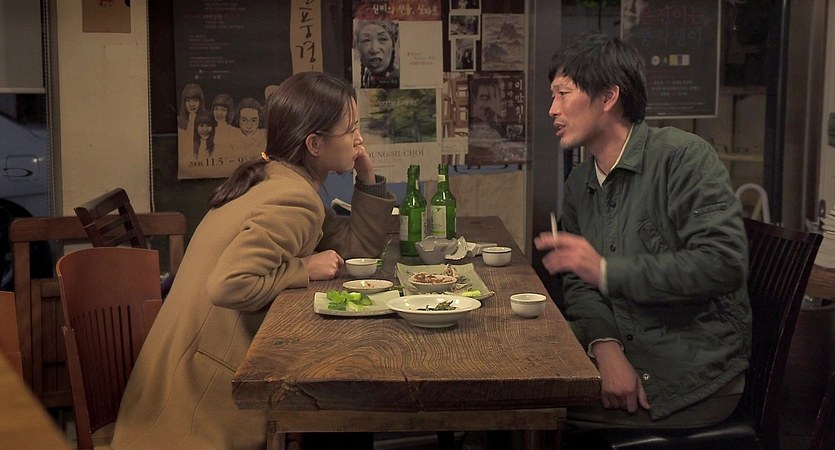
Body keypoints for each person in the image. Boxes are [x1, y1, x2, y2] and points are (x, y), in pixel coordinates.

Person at [111, 71, 397, 449]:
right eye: (351, 129)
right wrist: (302, 268)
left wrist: (367, 176)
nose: (359, 139)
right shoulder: (292, 199)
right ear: (314, 143)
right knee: (341, 402)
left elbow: (353, 249)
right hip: (196, 406)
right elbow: (229, 285)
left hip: (166, 385)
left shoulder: (274, 177)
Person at [534, 33, 751, 431]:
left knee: (520, 405)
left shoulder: (682, 157)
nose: (553, 109)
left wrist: (606, 272)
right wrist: (606, 348)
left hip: (691, 375)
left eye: (563, 94)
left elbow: (723, 263)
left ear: (608, 97)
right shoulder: (580, 182)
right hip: (623, 354)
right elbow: (579, 285)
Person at [355, 19, 399, 88]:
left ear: (393, 44)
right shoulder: (367, 75)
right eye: (366, 40)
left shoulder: (399, 79)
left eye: (383, 39)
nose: (374, 49)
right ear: (358, 46)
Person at [229, 97, 267, 162]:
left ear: (259, 119)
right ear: (238, 119)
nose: (249, 126)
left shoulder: (266, 136)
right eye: (244, 120)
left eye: (253, 121)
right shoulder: (230, 136)